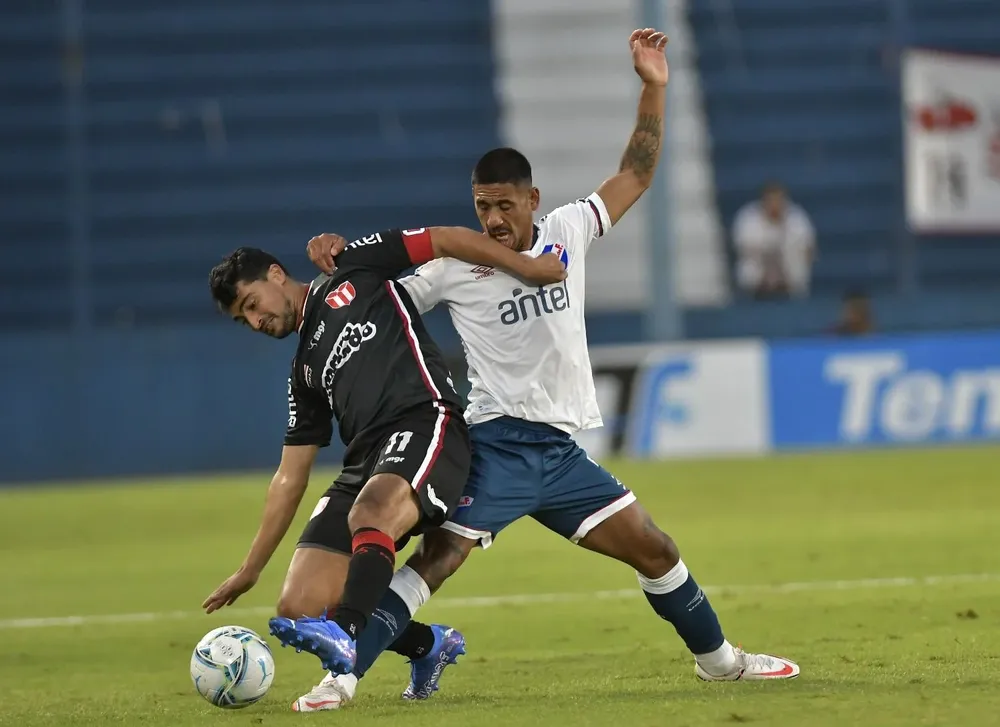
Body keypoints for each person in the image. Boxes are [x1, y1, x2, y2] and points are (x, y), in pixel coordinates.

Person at [295, 27, 799, 712]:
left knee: (655, 548)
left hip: (560, 456)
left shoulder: (568, 229)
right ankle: (342, 675)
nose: (493, 220)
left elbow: (637, 173)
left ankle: (722, 664)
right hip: (493, 445)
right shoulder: (453, 268)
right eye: (482, 207)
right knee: (435, 561)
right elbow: (377, 301)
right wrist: (339, 257)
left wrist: (653, 87)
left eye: (504, 205)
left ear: (533, 199)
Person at [201, 225, 565, 700]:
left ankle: (346, 634)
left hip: (426, 424)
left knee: (370, 513)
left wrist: (526, 267)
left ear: (275, 274)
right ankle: (427, 645)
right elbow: (290, 476)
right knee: (298, 606)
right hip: (365, 464)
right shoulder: (303, 371)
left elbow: (440, 239)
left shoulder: (352, 267)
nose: (255, 321)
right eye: (243, 319)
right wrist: (250, 569)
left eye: (252, 304)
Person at [732, 182, 817, 299]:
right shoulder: (747, 220)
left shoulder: (798, 219)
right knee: (751, 264)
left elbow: (808, 249)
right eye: (771, 200)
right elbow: (744, 250)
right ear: (763, 201)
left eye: (778, 200)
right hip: (755, 281)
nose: (774, 205)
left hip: (791, 281)